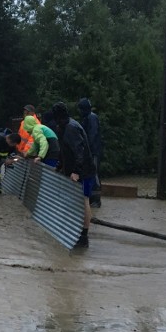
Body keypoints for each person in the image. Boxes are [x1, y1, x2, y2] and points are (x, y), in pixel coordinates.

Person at [52, 102, 96, 248]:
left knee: (84, 201)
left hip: (85, 172)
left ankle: (84, 237)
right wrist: (59, 165)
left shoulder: (71, 128)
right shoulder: (63, 127)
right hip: (74, 171)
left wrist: (77, 171)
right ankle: (73, 232)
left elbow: (80, 152)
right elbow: (64, 150)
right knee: (75, 201)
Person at [77, 98, 103, 207]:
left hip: (93, 152)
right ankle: (90, 198)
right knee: (89, 174)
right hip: (89, 152)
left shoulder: (91, 118)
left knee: (94, 174)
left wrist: (87, 149)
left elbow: (91, 135)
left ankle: (96, 199)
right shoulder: (87, 118)